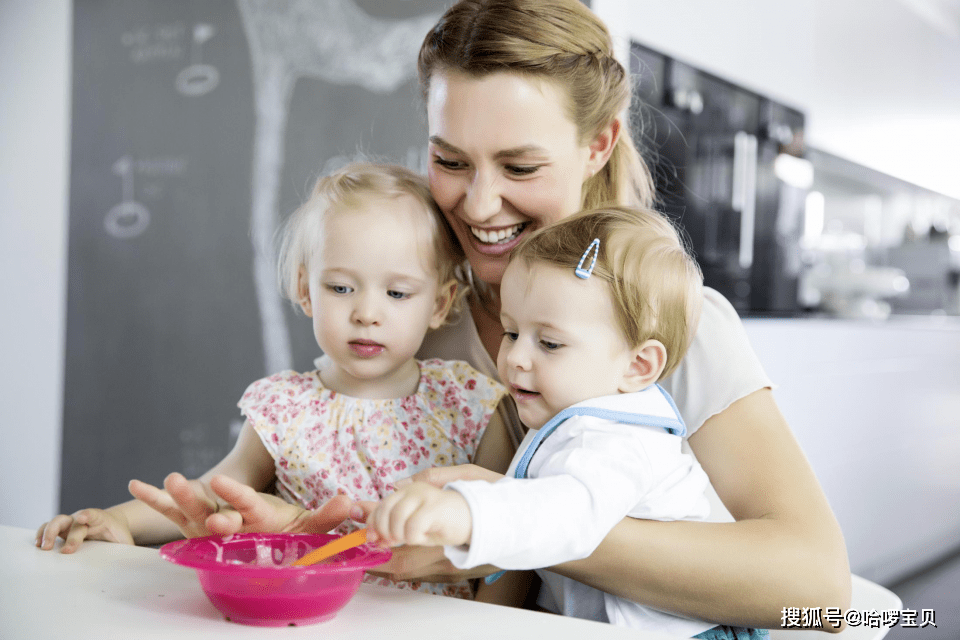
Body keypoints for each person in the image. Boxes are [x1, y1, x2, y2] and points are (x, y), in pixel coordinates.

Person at [119, 0, 851, 630]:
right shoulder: (408, 318)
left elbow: (818, 588)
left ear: (598, 144)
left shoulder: (672, 322)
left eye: (520, 167)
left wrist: (498, 527)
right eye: (451, 159)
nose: (478, 204)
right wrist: (294, 529)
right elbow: (351, 520)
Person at [34, 162, 519, 601]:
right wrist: (119, 520)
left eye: (396, 292)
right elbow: (214, 496)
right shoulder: (284, 406)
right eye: (341, 288)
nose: (367, 314)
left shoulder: (469, 403)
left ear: (439, 303)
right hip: (302, 616)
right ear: (306, 290)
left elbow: (511, 538)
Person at [369, 206, 771, 639]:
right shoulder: (574, 419)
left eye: (550, 343)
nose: (517, 358)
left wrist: (467, 513)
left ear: (638, 365)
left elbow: (566, 512)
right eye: (511, 333)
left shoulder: (621, 440)